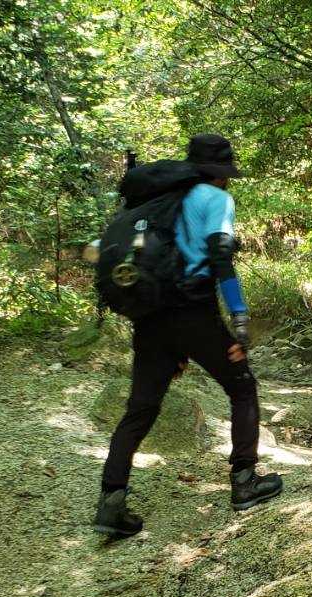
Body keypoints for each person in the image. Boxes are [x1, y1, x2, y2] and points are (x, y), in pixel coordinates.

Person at [94, 134, 284, 538]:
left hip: (149, 318)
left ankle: (111, 500)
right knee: (242, 387)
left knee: (141, 408)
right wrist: (239, 317)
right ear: (221, 173)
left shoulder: (156, 202)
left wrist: (176, 349)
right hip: (194, 313)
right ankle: (245, 481)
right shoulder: (215, 200)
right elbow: (220, 257)